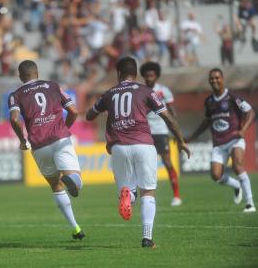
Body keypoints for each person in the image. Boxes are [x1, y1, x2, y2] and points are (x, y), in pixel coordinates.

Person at [86, 57, 190, 248]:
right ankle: (147, 238)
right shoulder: (146, 91)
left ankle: (128, 195)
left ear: (118, 73)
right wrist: (181, 141)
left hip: (118, 147)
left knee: (128, 189)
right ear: (135, 73)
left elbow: (89, 115)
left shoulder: (108, 94)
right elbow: (168, 117)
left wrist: (106, 110)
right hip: (143, 144)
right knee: (148, 192)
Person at [8, 60, 84, 240]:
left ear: (20, 76)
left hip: (39, 145)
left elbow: (14, 119)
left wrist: (22, 140)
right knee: (77, 181)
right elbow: (73, 111)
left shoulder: (15, 95)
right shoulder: (53, 86)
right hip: (60, 138)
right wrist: (64, 129)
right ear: (37, 73)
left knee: (55, 186)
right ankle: (71, 180)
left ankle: (75, 228)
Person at [186, 68, 256, 213]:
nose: (214, 80)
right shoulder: (209, 101)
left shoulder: (232, 97)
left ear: (222, 79)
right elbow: (206, 121)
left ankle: (250, 203)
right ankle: (236, 186)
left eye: (217, 78)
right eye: (212, 78)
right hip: (219, 143)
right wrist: (192, 137)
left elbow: (250, 111)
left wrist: (244, 129)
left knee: (238, 166)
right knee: (216, 175)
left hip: (235, 139)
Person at [140, 62, 182, 206]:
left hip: (161, 131)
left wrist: (176, 130)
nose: (149, 78)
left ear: (156, 76)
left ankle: (176, 195)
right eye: (146, 75)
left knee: (168, 163)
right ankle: (147, 196)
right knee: (144, 165)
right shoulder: (140, 91)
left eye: (151, 75)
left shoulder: (164, 91)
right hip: (145, 132)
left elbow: (171, 111)